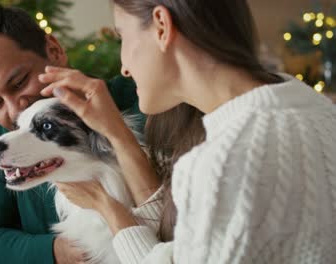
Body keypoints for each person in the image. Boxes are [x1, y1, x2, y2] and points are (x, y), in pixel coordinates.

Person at [39, 0, 336, 263]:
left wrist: (108, 208)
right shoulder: (316, 108)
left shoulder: (221, 162)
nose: (124, 67)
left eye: (122, 38)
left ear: (161, 26)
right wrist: (116, 135)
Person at [0, 4, 170, 264]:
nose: (16, 109)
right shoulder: (2, 135)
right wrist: (57, 251)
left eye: (19, 83)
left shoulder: (147, 101)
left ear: (54, 50)